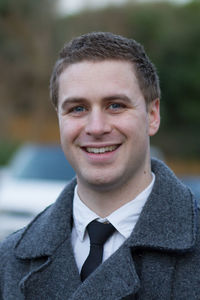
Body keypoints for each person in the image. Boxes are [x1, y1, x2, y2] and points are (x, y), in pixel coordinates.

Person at [0, 32, 199, 300]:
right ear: (59, 119)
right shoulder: (9, 261)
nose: (96, 128)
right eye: (77, 109)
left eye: (115, 105)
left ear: (152, 116)